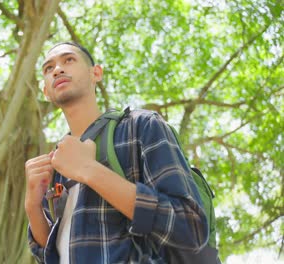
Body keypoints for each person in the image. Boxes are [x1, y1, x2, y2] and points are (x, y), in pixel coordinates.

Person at [24, 42, 209, 263]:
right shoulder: (55, 162)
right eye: (48, 68)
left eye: (69, 60)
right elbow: (54, 253)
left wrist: (90, 170)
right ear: (46, 91)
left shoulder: (140, 126)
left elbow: (190, 229)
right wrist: (33, 207)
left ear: (96, 73)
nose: (57, 69)